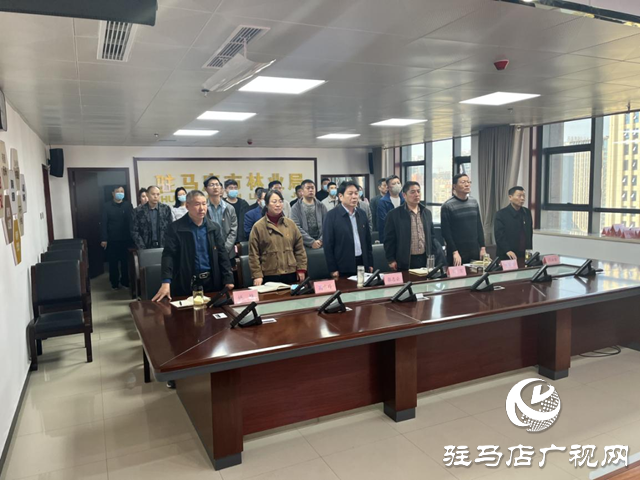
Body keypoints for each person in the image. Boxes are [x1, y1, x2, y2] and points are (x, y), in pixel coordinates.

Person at [152, 190, 234, 301]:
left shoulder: (214, 227)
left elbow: (222, 254)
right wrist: (166, 282)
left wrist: (228, 278)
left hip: (212, 281)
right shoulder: (175, 228)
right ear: (187, 206)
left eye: (204, 204)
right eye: (197, 204)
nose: (202, 208)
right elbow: (168, 255)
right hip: (186, 282)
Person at [248, 190, 307, 286]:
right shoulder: (258, 227)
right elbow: (253, 254)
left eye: (280, 201)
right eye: (274, 202)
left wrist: (301, 268)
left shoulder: (290, 224)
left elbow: (300, 249)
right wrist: (257, 275)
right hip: (269, 273)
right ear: (266, 204)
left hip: (290, 272)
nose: (278, 205)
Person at [384, 181, 445, 270]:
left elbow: (431, 237)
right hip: (406, 259)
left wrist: (433, 256)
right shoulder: (394, 214)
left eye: (418, 191)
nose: (417, 194)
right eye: (412, 192)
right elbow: (389, 239)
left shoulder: (426, 213)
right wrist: (390, 259)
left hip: (425, 257)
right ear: (404, 195)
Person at [323, 181, 373, 279]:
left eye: (356, 193)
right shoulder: (331, 216)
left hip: (362, 262)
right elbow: (328, 245)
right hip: (343, 265)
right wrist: (332, 268)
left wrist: (370, 263)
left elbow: (368, 241)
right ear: (340, 196)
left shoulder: (362, 214)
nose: (354, 197)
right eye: (350, 194)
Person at [441, 173, 486, 266]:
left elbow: (479, 226)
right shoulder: (447, 206)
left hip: (474, 250)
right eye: (463, 182)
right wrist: (454, 251)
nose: (467, 184)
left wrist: (482, 247)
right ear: (454, 186)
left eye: (468, 182)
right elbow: (446, 232)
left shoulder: (474, 202)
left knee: (474, 273)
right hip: (457, 252)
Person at [100, 186, 133, 289]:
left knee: (125, 262)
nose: (120, 193)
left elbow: (132, 221)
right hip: (112, 239)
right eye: (118, 191)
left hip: (126, 238)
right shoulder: (106, 206)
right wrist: (104, 239)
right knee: (113, 262)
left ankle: (125, 281)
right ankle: (114, 282)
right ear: (113, 193)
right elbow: (103, 223)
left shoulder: (128, 205)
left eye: (122, 191)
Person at [494, 186, 533, 260]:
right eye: (519, 196)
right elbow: (499, 235)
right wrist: (507, 250)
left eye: (523, 196)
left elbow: (529, 233)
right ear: (510, 197)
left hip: (524, 253)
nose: (522, 198)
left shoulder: (527, 212)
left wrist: (529, 250)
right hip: (507, 254)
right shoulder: (501, 214)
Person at [203, 175, 237, 257]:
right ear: (206, 189)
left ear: (221, 188)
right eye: (212, 185)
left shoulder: (229, 208)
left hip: (228, 252)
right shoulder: (203, 208)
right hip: (209, 252)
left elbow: (233, 230)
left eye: (217, 184)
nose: (215, 187)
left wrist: (225, 249)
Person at [131, 185, 172, 250]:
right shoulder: (138, 211)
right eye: (153, 194)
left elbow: (170, 228)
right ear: (147, 195)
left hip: (163, 246)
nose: (155, 196)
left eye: (158, 194)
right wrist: (142, 247)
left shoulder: (165, 209)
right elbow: (134, 231)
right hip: (145, 246)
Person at [291, 179, 328, 249]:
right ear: (302, 191)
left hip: (321, 244)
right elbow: (296, 227)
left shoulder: (321, 206)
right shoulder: (295, 208)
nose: (311, 190)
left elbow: (327, 225)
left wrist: (321, 240)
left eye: (312, 188)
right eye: (308, 188)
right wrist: (311, 242)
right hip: (303, 244)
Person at [377, 175, 404, 243]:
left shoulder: (404, 200)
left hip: (403, 235)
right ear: (388, 187)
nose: (397, 185)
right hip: (390, 236)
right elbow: (383, 222)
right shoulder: (383, 202)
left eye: (398, 183)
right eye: (394, 184)